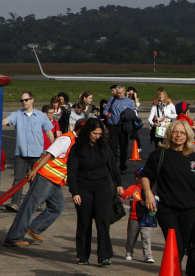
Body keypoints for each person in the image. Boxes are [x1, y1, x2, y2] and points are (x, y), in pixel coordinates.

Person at [3, 119, 84, 247]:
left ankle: (34, 228)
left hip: (54, 180)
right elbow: (49, 155)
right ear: (81, 129)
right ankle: (13, 237)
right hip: (45, 177)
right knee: (30, 206)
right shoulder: (66, 140)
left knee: (58, 206)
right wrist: (34, 170)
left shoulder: (76, 141)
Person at [141, 121, 195, 263]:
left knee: (182, 247)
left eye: (182, 132)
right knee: (175, 245)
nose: (179, 135)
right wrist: (148, 194)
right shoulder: (159, 154)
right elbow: (146, 176)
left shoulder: (192, 158)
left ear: (188, 135)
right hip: (167, 209)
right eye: (175, 132)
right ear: (169, 133)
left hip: (189, 210)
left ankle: (173, 270)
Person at [67, 118, 123, 266]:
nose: (97, 136)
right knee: (84, 222)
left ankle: (104, 255)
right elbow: (71, 172)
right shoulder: (77, 148)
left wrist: (119, 184)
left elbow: (113, 165)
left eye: (100, 133)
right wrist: (75, 192)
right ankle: (83, 256)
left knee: (103, 221)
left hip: (103, 186)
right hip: (83, 187)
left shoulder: (103, 146)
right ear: (88, 132)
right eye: (95, 133)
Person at [3, 92, 55, 212]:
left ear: (32, 100)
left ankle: (38, 202)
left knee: (36, 180)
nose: (24, 102)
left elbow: (48, 131)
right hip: (21, 153)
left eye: (26, 100)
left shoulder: (41, 116)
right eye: (22, 100)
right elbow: (6, 121)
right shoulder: (17, 115)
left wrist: (52, 146)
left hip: (36, 153)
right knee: (18, 179)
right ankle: (15, 203)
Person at [121, 167, 154, 263]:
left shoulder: (150, 188)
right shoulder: (133, 188)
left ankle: (148, 255)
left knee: (146, 237)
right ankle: (129, 251)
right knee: (131, 236)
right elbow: (124, 194)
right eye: (141, 177)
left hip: (146, 217)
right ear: (137, 178)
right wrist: (121, 191)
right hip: (134, 217)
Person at [103, 85, 136, 174]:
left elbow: (133, 113)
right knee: (112, 147)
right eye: (117, 93)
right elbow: (105, 109)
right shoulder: (112, 99)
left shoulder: (129, 101)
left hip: (123, 126)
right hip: (112, 125)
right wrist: (106, 113)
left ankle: (123, 166)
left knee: (123, 147)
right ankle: (113, 166)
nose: (119, 95)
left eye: (120, 93)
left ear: (124, 91)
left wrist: (126, 115)